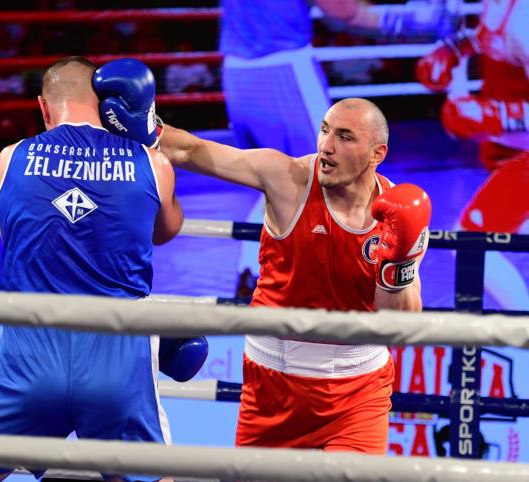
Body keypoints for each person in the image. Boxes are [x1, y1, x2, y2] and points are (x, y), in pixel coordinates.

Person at [0, 56, 183, 482]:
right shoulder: (151, 164)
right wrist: (145, 143)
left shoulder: (9, 160)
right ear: (106, 105)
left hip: (29, 366)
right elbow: (167, 230)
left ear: (43, 106)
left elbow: (15, 236)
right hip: (117, 370)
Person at [159, 98, 431, 452]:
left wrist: (398, 261)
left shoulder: (399, 212)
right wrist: (135, 124)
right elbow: (191, 150)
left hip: (359, 393)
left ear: (377, 153)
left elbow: (400, 323)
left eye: (345, 137)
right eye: (325, 130)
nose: (327, 146)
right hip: (274, 387)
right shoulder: (287, 179)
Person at [220, 0, 457, 284]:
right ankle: (343, 276)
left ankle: (252, 270)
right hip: (283, 70)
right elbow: (344, 11)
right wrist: (416, 20)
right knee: (334, 171)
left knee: (280, 176)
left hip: (237, 73)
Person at [417, 0, 529, 309]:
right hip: (510, 150)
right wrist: (457, 49)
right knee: (516, 231)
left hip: (525, 157)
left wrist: (496, 115)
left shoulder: (524, 19)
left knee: (469, 242)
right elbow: (491, 39)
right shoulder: (499, 4)